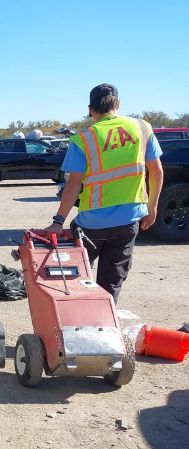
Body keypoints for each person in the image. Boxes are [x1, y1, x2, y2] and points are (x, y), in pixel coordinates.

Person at [47, 83, 163, 303]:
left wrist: (58, 221)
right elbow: (156, 171)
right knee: (111, 282)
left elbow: (73, 186)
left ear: (91, 110)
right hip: (128, 220)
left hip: (92, 223)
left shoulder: (84, 139)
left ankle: (79, 323)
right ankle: (104, 329)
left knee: (76, 277)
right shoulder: (142, 128)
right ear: (117, 104)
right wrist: (152, 207)